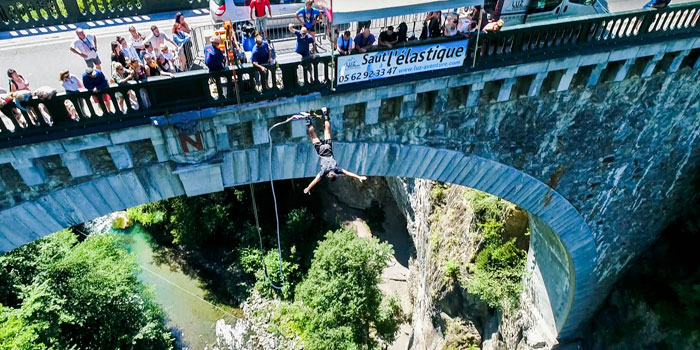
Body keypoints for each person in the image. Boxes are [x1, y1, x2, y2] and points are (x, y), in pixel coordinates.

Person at [302, 108, 367, 194]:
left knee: (326, 131)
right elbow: (316, 179)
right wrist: (308, 187)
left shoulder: (336, 170)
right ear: (329, 176)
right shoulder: (326, 172)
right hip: (322, 150)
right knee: (313, 134)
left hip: (327, 148)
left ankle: (324, 114)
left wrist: (359, 177)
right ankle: (308, 118)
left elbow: (347, 173)